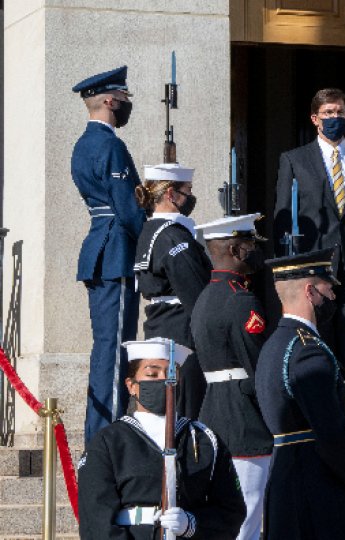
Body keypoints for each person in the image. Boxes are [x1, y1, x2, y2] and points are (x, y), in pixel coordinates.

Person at [255, 248, 345, 539]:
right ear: (310, 291)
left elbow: (301, 411)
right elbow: (331, 436)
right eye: (328, 288)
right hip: (318, 490)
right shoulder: (308, 351)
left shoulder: (274, 346)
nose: (333, 296)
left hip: (286, 483)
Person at [78, 337, 246, 539]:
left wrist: (192, 524)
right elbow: (96, 521)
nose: (164, 381)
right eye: (152, 374)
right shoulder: (109, 442)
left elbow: (231, 511)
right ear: (131, 385)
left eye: (171, 374)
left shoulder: (205, 441)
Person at [273, 87, 345, 381]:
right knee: (316, 341)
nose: (335, 117)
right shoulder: (295, 160)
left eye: (340, 112)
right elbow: (283, 218)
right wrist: (287, 274)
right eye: (328, 113)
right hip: (312, 270)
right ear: (315, 118)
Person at [71, 65, 145, 443]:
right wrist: (152, 241)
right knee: (114, 351)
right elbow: (128, 208)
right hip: (115, 253)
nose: (127, 105)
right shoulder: (111, 145)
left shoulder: (82, 144)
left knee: (106, 349)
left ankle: (99, 435)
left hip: (100, 250)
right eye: (124, 98)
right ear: (111, 101)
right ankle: (105, 440)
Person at [192, 213, 272, 540]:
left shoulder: (206, 298)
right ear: (236, 250)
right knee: (246, 519)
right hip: (244, 421)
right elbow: (259, 369)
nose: (255, 252)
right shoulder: (241, 300)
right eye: (250, 245)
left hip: (214, 415)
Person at [134, 163, 212, 419]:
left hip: (160, 326)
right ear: (170, 194)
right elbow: (197, 293)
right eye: (187, 191)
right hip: (181, 331)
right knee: (184, 411)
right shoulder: (173, 236)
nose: (190, 197)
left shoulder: (151, 231)